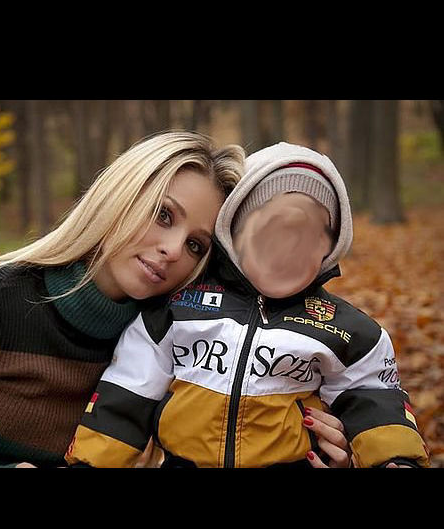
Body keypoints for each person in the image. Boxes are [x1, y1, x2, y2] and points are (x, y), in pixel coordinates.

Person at [0, 131, 349, 468]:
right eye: (162, 214)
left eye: (196, 245)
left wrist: (319, 446)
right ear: (119, 196)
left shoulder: (174, 344)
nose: (172, 249)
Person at [65, 141, 430, 469]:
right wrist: (93, 461)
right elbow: (127, 393)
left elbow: (374, 397)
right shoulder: (179, 307)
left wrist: (394, 458)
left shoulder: (343, 329)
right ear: (233, 230)